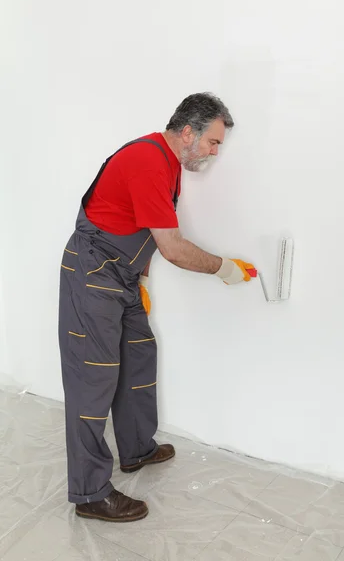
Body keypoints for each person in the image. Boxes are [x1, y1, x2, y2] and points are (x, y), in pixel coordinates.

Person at [58, 92, 255, 522]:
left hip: (122, 277)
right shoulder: (149, 161)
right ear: (188, 132)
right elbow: (174, 248)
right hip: (92, 274)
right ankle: (90, 492)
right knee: (93, 381)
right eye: (213, 142)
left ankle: (135, 449)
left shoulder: (171, 165)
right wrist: (225, 269)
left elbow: (143, 226)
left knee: (139, 358)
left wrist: (141, 280)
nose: (214, 152)